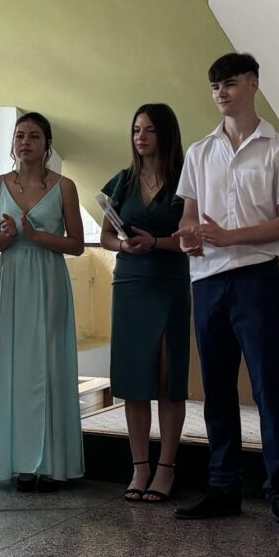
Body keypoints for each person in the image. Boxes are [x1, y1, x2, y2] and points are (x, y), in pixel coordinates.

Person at [175, 53, 279, 534]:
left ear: (253, 84)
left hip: (255, 276)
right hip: (208, 279)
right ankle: (223, 487)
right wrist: (188, 236)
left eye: (230, 84)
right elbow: (189, 216)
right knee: (216, 389)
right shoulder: (200, 151)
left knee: (269, 388)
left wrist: (231, 236)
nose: (221, 93)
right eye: (215, 86)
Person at [0, 111, 88, 491]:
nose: (25, 142)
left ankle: (52, 464)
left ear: (47, 145)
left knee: (49, 363)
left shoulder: (64, 186)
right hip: (14, 279)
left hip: (48, 278)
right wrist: (10, 236)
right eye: (19, 135)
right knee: (17, 366)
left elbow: (77, 244)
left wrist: (38, 235)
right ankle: (21, 463)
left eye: (33, 136)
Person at [104, 103, 191, 504]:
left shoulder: (185, 181)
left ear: (166, 134)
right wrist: (123, 245)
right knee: (134, 378)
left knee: (168, 378)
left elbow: (193, 238)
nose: (141, 137)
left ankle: (167, 467)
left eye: (150, 130)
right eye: (136, 129)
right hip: (130, 283)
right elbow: (106, 235)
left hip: (169, 282)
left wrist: (155, 242)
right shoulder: (123, 181)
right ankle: (140, 466)